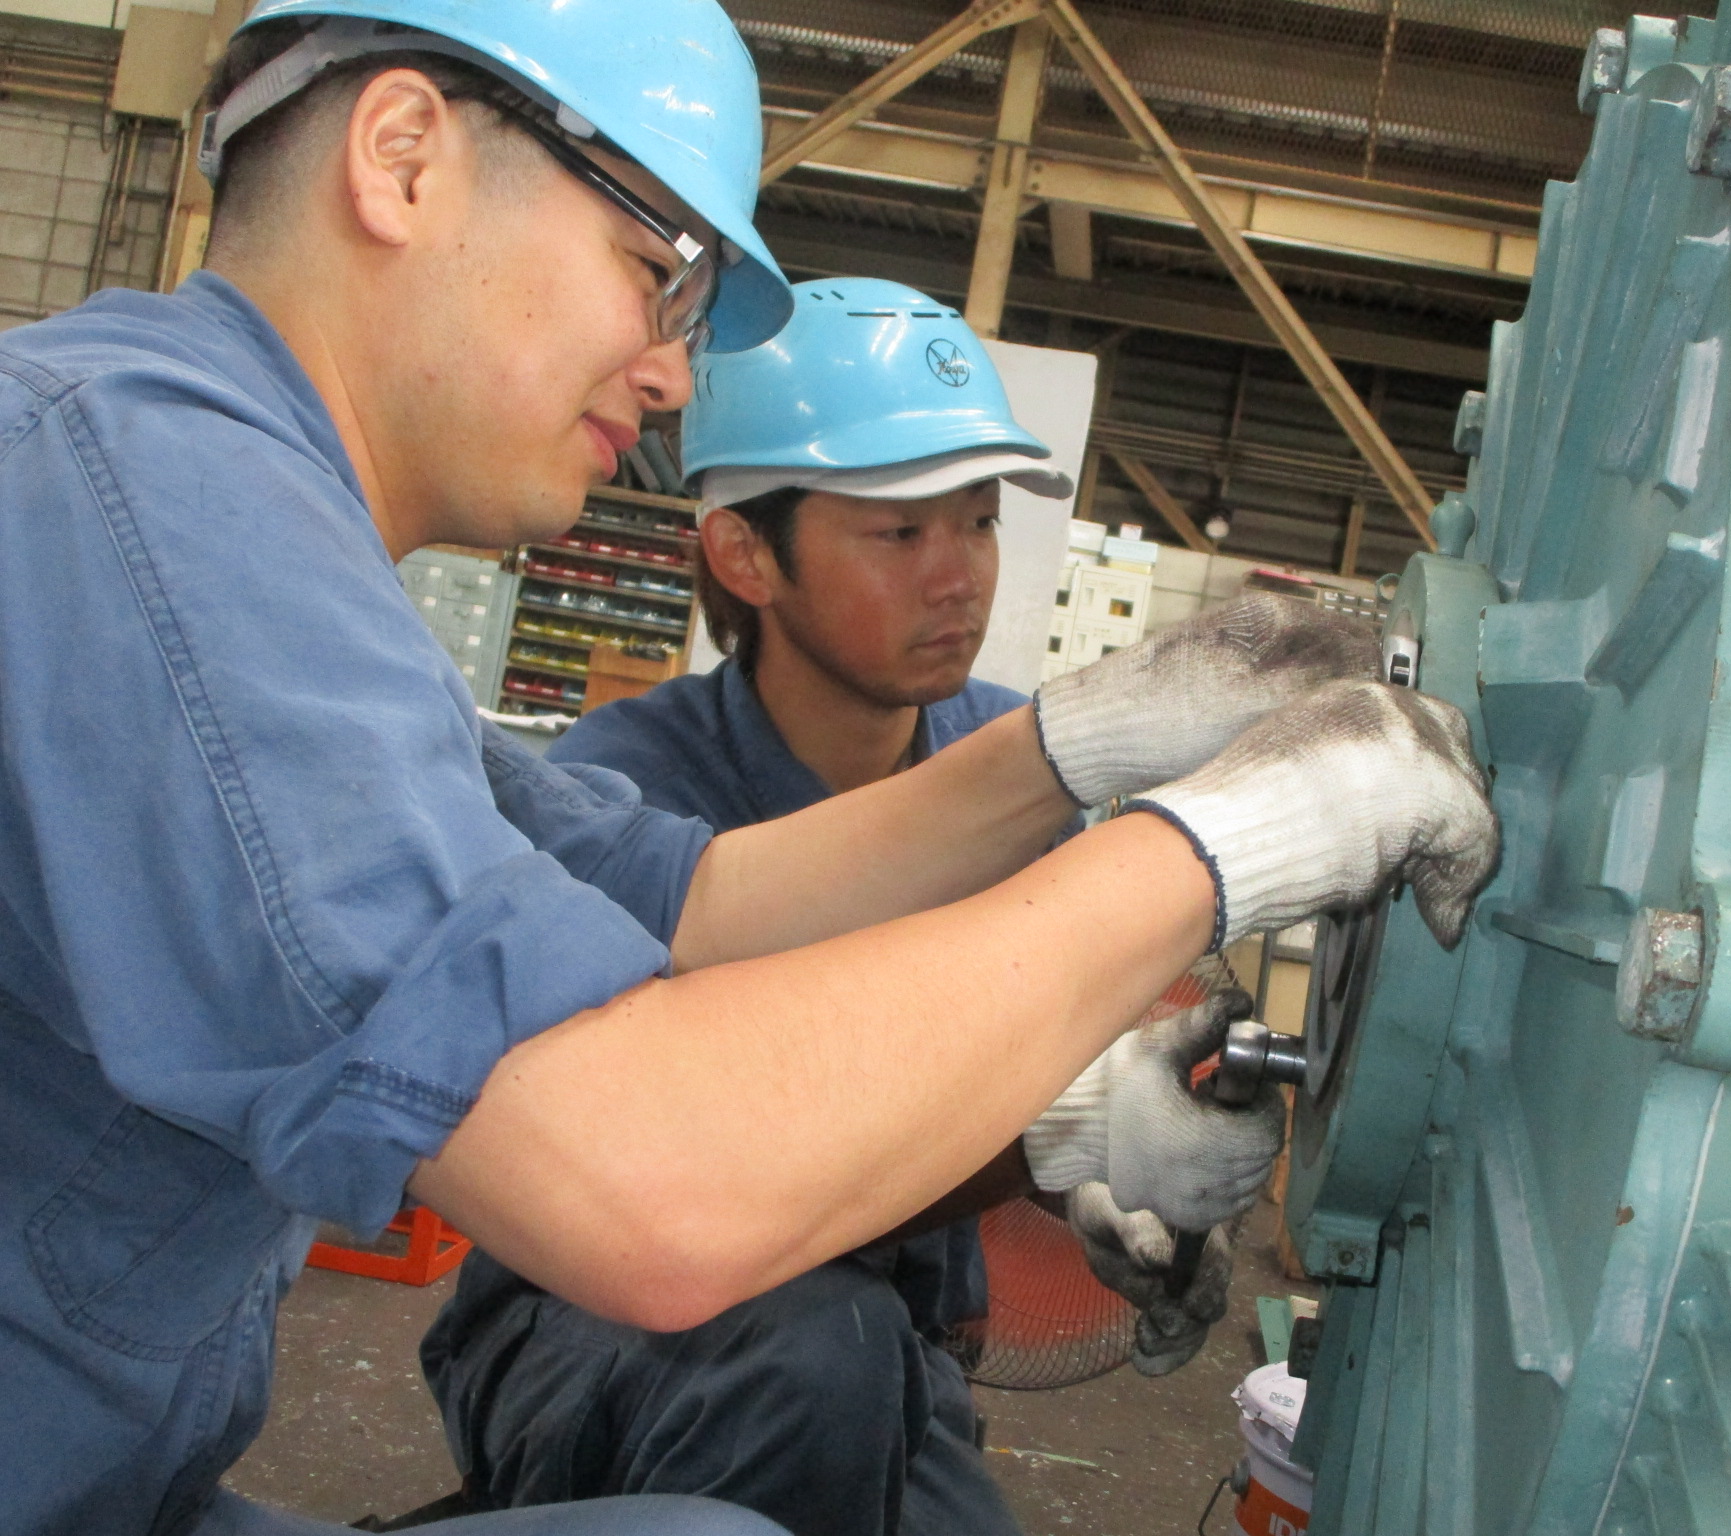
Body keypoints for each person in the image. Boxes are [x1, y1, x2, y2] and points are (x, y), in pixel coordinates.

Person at [0, 1, 1501, 1533]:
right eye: (656, 275)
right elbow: (644, 1186)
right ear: (401, 160)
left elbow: (692, 897)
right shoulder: (154, 498)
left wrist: (1076, 746)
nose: (665, 376)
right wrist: (1220, 848)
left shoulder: (209, 509)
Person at [422, 280, 1250, 1535]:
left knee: (859, 1376)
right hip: (596, 1323)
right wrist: (1039, 1145)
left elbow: (1048, 1051)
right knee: (810, 1361)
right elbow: (680, 1169)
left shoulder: (1017, 774)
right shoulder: (619, 792)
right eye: (897, 534)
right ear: (744, 553)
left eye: (975, 526)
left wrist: (1103, 1188)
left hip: (886, 1345)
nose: (957, 578)